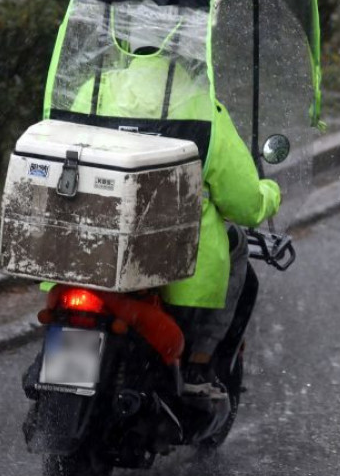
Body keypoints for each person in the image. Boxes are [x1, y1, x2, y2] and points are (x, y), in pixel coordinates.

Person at [68, 42, 280, 396]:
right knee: (236, 247)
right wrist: (270, 193)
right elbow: (244, 203)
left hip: (93, 239)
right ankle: (199, 362)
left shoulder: (93, 91)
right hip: (170, 253)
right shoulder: (202, 106)